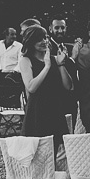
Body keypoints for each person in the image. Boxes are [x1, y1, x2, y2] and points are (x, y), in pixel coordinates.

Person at [19, 25, 72, 166]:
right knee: (37, 158)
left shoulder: (55, 59)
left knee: (54, 154)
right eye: (39, 39)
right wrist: (47, 66)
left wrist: (61, 65)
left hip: (55, 110)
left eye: (45, 37)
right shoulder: (26, 60)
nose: (44, 41)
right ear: (30, 42)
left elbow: (68, 86)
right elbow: (31, 87)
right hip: (37, 111)